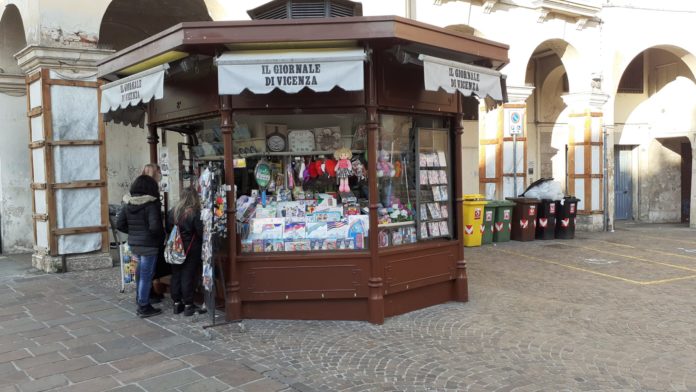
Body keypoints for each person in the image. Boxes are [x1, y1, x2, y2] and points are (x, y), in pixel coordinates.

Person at [116, 175, 165, 318]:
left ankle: (140, 299)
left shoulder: (128, 203)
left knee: (140, 272)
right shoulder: (151, 204)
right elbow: (155, 227)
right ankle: (143, 306)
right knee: (145, 275)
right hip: (149, 245)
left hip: (135, 244)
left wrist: (133, 234)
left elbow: (120, 224)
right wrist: (159, 239)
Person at [167, 187, 204, 316]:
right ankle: (188, 305)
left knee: (176, 274)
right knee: (188, 275)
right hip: (191, 248)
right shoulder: (194, 213)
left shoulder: (173, 212)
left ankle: (177, 303)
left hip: (176, 247)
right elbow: (200, 232)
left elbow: (168, 229)